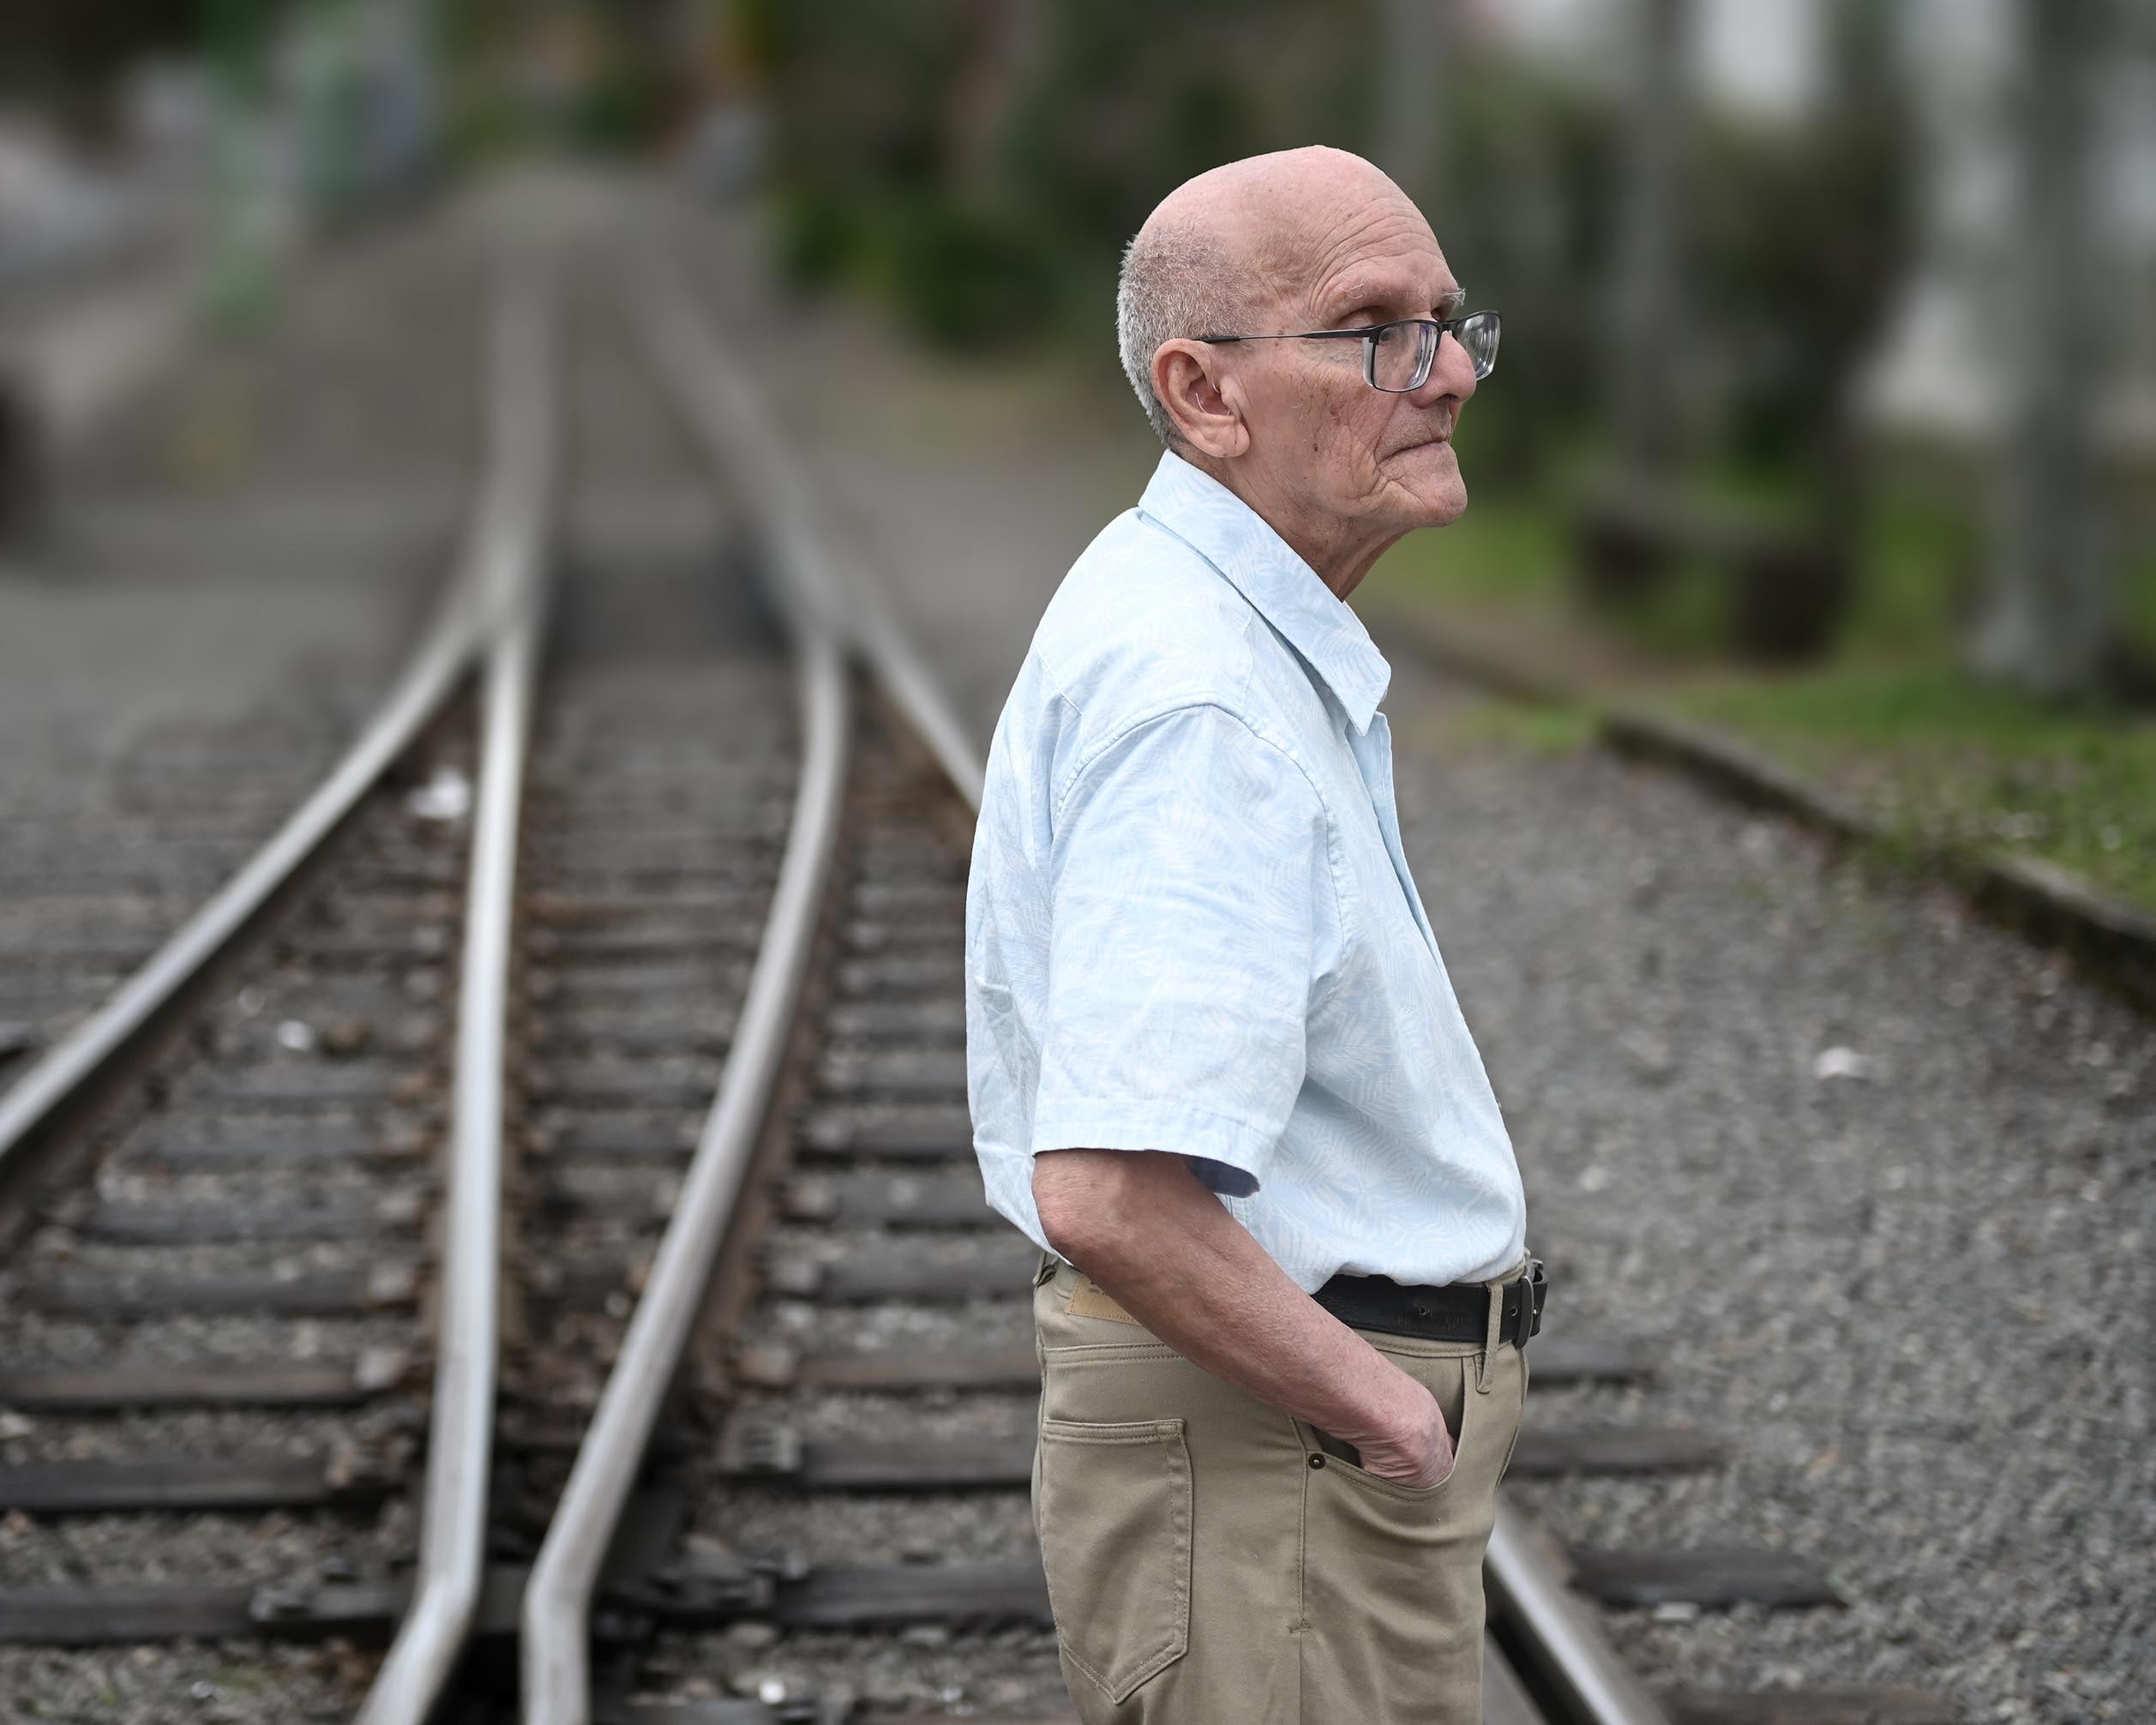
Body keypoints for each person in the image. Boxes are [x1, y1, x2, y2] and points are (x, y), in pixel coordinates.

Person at [964, 145, 1545, 1725]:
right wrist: (1386, 1416)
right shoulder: (1204, 702)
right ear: (1206, 394)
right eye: (1377, 332)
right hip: (1277, 1453)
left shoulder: (1210, 622)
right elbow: (1110, 1190)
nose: (1446, 375)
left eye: (1449, 321)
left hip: (1277, 1453)